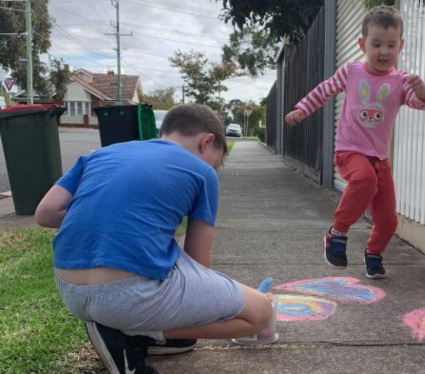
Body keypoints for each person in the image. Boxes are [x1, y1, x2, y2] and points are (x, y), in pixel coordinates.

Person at [35, 103, 273, 374]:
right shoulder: (202, 171)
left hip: (70, 288)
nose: (212, 168)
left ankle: (133, 329)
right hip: (127, 296)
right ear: (207, 142)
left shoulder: (100, 154)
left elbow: (45, 213)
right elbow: (199, 264)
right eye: (216, 162)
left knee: (167, 258)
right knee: (259, 314)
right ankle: (135, 334)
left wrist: (113, 223)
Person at [285, 5, 425, 279]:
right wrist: (302, 109)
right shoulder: (351, 71)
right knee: (364, 180)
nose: (384, 52)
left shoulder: (401, 81)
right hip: (350, 151)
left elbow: (418, 103)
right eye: (376, 44)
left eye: (390, 45)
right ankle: (336, 233)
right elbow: (324, 89)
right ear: (363, 44)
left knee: (388, 220)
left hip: (380, 159)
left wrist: (423, 93)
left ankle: (373, 254)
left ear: (400, 45)